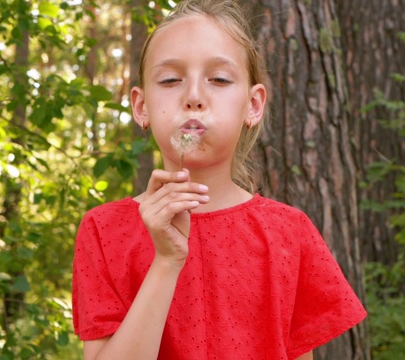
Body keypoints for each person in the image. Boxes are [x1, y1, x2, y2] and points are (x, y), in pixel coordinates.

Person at [71, 0, 367, 359]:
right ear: (141, 106)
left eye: (219, 79)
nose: (194, 97)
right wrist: (166, 261)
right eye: (170, 80)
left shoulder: (291, 232)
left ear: (253, 105)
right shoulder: (103, 230)